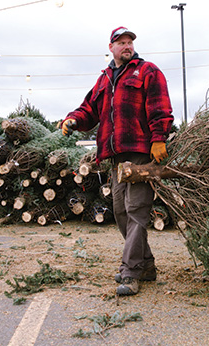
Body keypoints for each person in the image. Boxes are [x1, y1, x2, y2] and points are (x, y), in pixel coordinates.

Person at [59, 27, 174, 295]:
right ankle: (146, 266)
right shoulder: (105, 79)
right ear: (110, 47)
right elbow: (89, 108)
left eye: (130, 42)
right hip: (115, 157)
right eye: (121, 42)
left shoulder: (147, 71)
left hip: (140, 154)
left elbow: (160, 107)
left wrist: (159, 138)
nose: (127, 46)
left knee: (136, 211)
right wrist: (73, 119)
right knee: (121, 211)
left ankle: (130, 272)